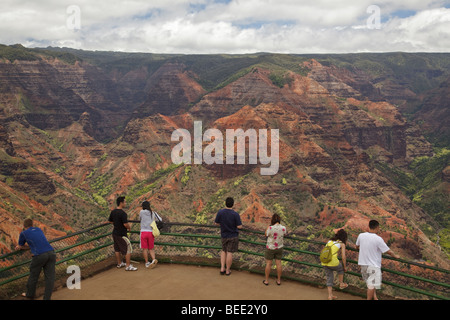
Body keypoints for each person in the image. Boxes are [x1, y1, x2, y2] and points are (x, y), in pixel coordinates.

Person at [356, 220, 400, 300]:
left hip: (363, 264)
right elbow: (388, 251)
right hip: (373, 266)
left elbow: (356, 246)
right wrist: (395, 256)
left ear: (368, 226)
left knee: (370, 284)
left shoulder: (361, 235)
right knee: (371, 285)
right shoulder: (378, 239)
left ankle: (375, 298)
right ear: (377, 227)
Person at [15, 218, 56, 300]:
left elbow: (21, 246)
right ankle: (47, 298)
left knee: (33, 276)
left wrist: (19, 247)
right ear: (32, 225)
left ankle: (30, 294)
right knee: (50, 278)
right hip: (51, 253)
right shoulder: (38, 229)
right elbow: (39, 241)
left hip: (39, 255)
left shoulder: (24, 233)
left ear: (24, 226)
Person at [214, 197, 242, 276]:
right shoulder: (235, 214)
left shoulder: (220, 212)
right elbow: (239, 226)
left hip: (224, 235)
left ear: (225, 203)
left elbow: (216, 223)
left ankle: (222, 268)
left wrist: (223, 224)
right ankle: (227, 270)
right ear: (233, 204)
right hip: (232, 235)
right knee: (229, 252)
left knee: (223, 251)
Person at [108, 196, 137, 271]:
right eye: (124, 202)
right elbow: (125, 224)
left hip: (115, 233)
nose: (125, 203)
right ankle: (128, 266)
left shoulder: (113, 212)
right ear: (121, 203)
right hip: (122, 234)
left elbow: (110, 221)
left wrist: (116, 224)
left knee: (117, 248)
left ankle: (119, 263)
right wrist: (129, 227)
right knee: (128, 249)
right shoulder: (123, 213)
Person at [321, 229, 348, 300]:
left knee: (329, 278)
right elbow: (343, 257)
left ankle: (330, 296)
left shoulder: (330, 241)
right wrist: (345, 267)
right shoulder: (342, 244)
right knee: (341, 268)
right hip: (333, 263)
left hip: (325, 261)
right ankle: (341, 284)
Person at [263, 214, 287, 286]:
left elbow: (266, 234)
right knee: (279, 264)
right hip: (279, 248)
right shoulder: (283, 228)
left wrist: (268, 227)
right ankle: (279, 280)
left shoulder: (270, 228)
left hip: (270, 248)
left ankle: (266, 280)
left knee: (268, 264)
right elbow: (284, 234)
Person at [139, 201, 162, 268]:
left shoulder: (141, 212)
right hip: (151, 232)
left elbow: (140, 219)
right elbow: (160, 219)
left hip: (143, 232)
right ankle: (153, 259)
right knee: (151, 248)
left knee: (145, 249)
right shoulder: (153, 213)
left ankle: (146, 262)